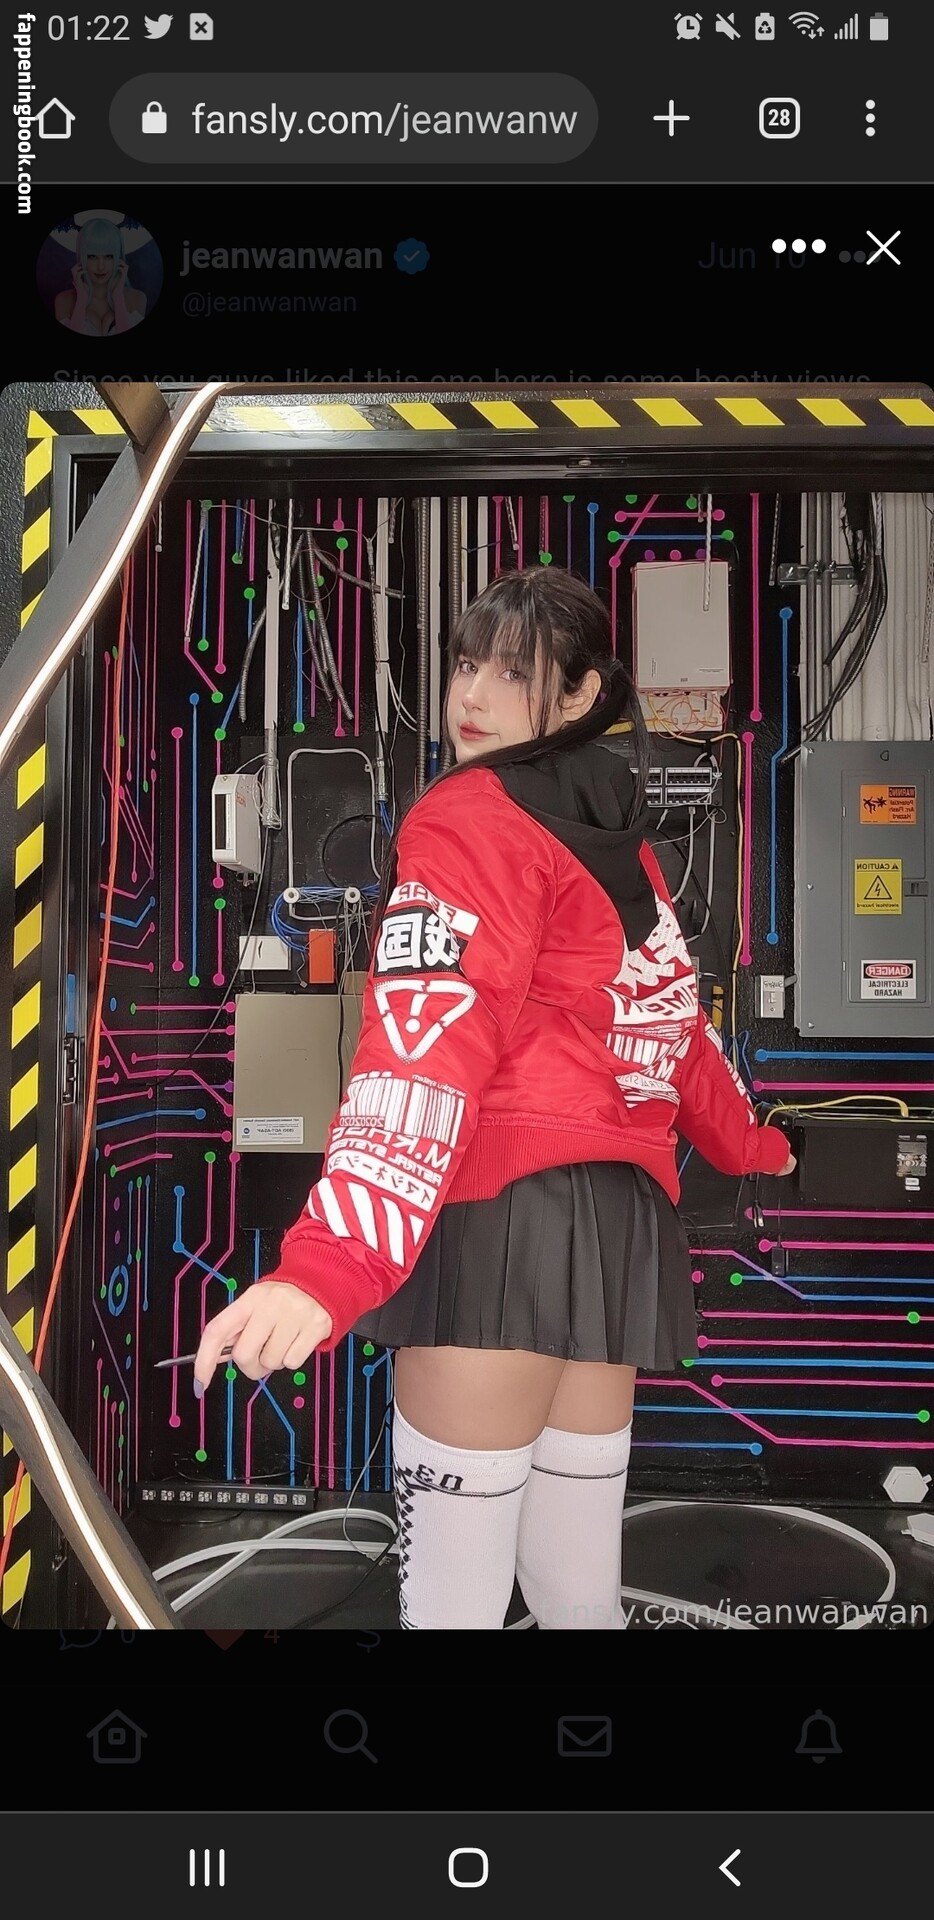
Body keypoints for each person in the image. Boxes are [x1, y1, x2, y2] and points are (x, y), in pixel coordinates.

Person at [193, 564, 795, 1629]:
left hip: (500, 1227)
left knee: (452, 1609)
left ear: (582, 694)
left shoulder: (468, 817)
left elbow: (424, 1046)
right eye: (467, 664)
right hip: (614, 1240)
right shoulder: (633, 858)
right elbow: (677, 1035)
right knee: (576, 1597)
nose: (471, 695)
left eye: (514, 673)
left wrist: (327, 1266)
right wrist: (755, 1148)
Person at [53, 218, 146, 335]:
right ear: (82, 257)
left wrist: (118, 298)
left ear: (118, 257)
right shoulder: (63, 301)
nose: (100, 267)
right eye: (92, 256)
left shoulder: (137, 299)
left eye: (108, 256)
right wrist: (81, 301)